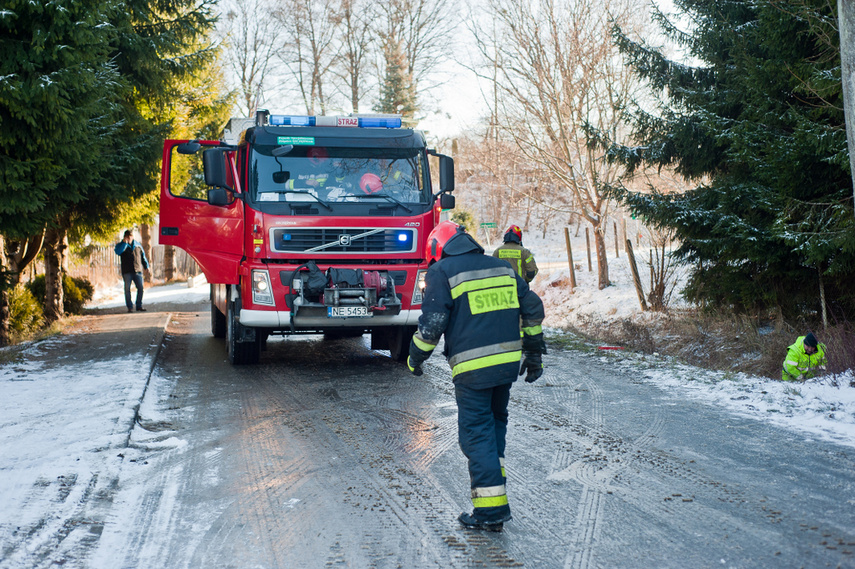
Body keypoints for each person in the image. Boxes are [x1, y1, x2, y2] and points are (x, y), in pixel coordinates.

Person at [407, 221, 546, 531]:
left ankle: (490, 512)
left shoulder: (442, 272)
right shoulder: (501, 267)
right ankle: (493, 495)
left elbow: (432, 326)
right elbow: (533, 308)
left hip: (472, 369)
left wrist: (415, 358)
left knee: (476, 434)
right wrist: (534, 354)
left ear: (437, 249)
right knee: (494, 427)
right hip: (506, 366)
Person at [114, 229, 150, 313]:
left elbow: (143, 256)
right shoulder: (121, 246)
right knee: (127, 289)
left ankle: (139, 305)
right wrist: (124, 243)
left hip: (137, 270)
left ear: (132, 237)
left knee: (140, 288)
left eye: (130, 236)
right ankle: (130, 307)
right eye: (127, 237)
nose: (129, 238)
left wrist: (146, 266)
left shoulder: (138, 245)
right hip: (127, 271)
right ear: (124, 237)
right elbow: (118, 252)